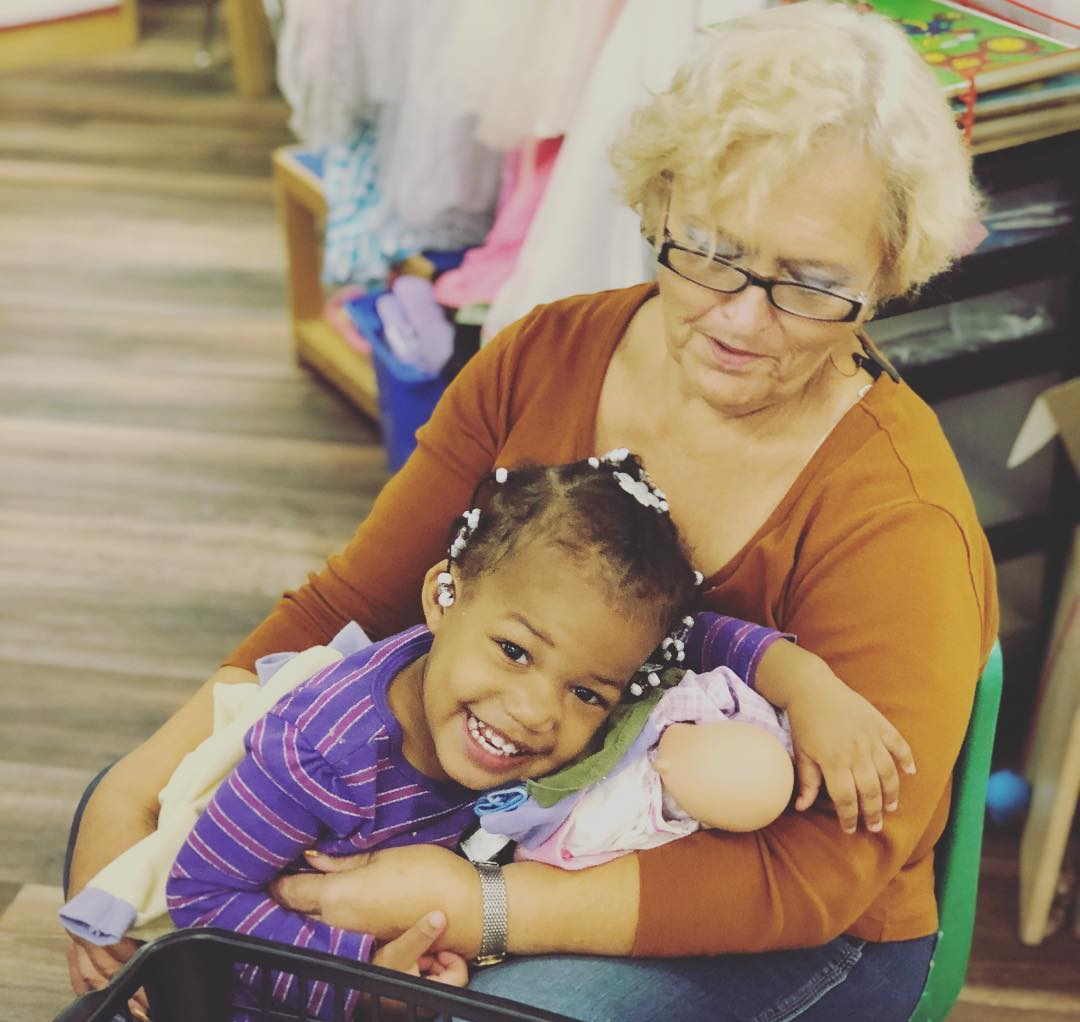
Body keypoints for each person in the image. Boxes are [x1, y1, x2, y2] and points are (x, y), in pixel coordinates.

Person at [65, 4, 997, 1021]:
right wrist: (143, 785)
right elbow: (356, 601)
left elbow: (830, 872)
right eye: (710, 251)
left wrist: (489, 906)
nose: (739, 315)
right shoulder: (545, 355)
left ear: (888, 274)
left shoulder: (900, 519)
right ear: (662, 197)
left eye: (810, 284)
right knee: (131, 812)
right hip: (507, 816)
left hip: (794, 927)